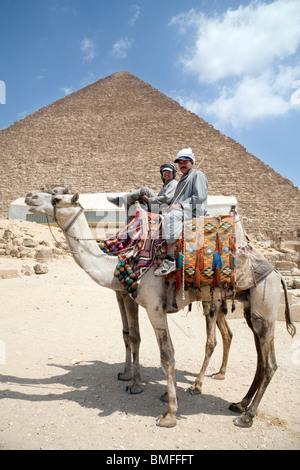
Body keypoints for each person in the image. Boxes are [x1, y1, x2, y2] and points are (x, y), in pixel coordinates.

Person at [154, 148, 208, 276]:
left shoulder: (197, 175)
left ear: (192, 162)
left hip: (193, 211)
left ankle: (170, 259)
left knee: (172, 216)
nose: (182, 164)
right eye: (180, 162)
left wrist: (179, 205)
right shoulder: (183, 180)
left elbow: (199, 197)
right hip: (183, 210)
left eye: (185, 161)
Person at [107, 163, 178, 216]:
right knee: (130, 202)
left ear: (173, 173)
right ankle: (129, 228)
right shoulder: (167, 184)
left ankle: (119, 200)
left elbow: (166, 199)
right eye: (164, 172)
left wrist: (148, 200)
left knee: (144, 190)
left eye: (169, 172)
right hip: (157, 205)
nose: (166, 174)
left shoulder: (173, 183)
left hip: (162, 208)